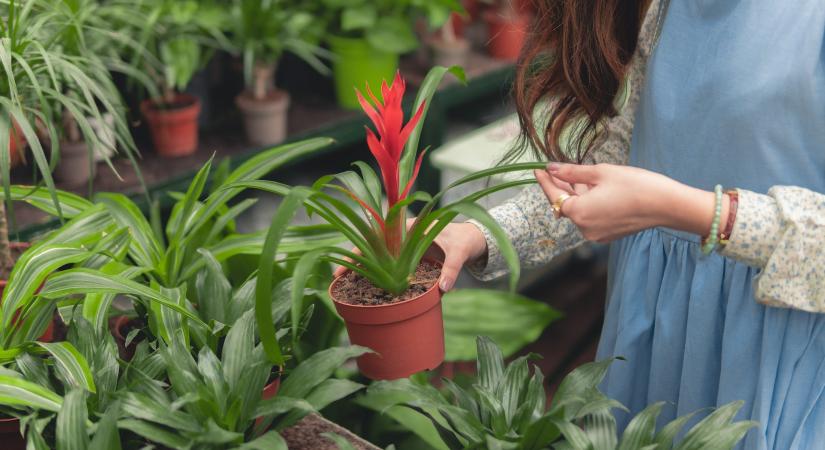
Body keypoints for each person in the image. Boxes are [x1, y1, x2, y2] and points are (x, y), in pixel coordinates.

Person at [431, 1, 825, 449]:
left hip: (768, 342)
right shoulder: (666, 9)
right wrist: (477, 235)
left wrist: (696, 212)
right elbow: (618, 160)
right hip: (650, 326)